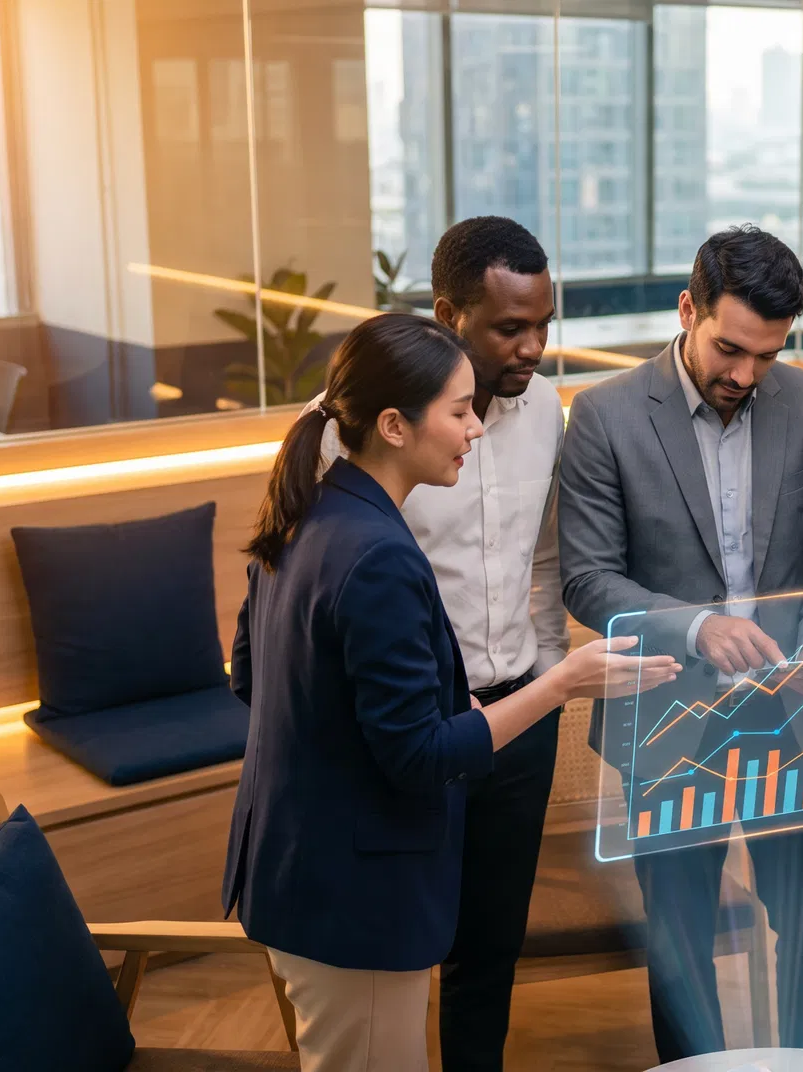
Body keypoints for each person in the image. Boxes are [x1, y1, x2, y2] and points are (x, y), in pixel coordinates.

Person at [223, 313, 678, 1072]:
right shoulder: (376, 556)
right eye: (460, 411)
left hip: (298, 871)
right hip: (353, 899)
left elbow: (251, 675)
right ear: (395, 426)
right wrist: (565, 681)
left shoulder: (315, 512)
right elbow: (420, 758)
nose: (475, 431)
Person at [558, 226, 803, 1061]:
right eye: (729, 349)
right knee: (682, 945)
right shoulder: (603, 416)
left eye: (767, 356)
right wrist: (699, 626)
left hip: (793, 719)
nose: (744, 375)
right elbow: (587, 579)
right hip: (666, 724)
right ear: (687, 308)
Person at [308, 216, 566, 1072]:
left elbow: (546, 556)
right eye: (508, 328)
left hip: (521, 712)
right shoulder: (347, 433)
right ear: (448, 312)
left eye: (542, 324)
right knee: (407, 943)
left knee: (490, 949)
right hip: (413, 728)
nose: (531, 347)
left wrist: (552, 668)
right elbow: (316, 583)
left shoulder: (545, 414)